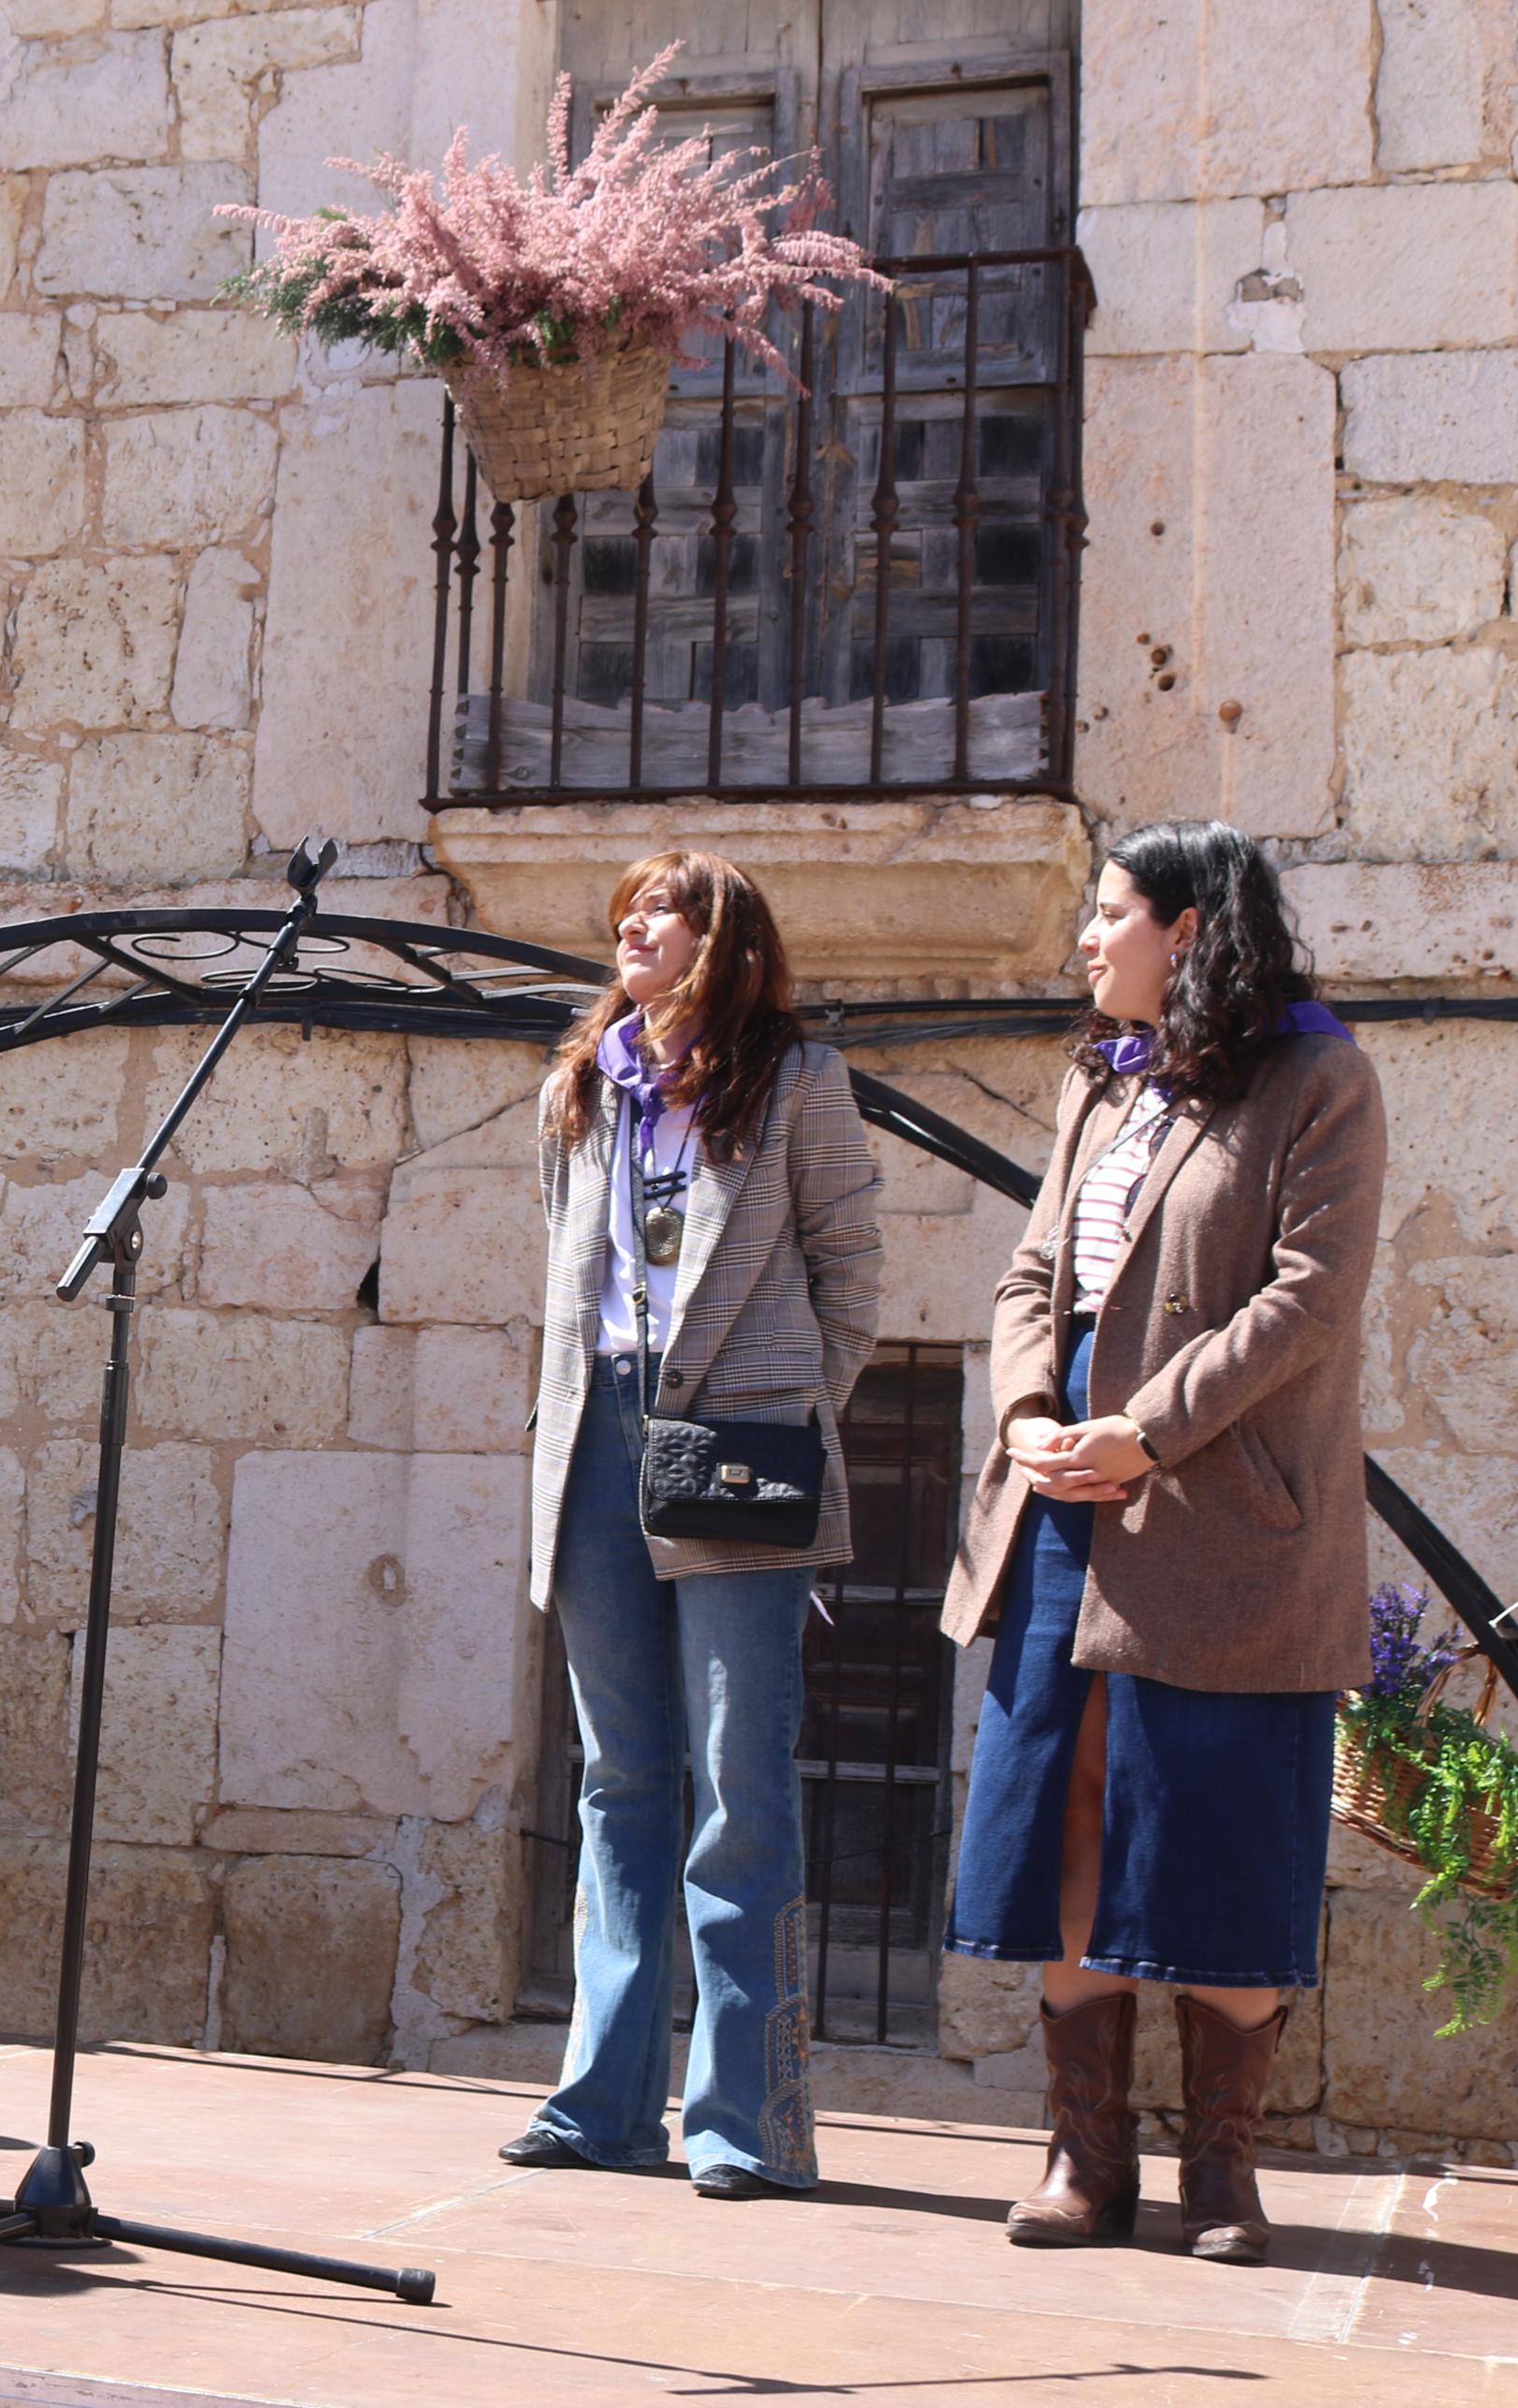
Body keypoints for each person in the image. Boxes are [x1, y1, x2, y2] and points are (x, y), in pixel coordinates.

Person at [939, 820, 1385, 2266]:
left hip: (1215, 1509)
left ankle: (1221, 2172)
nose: (1084, 937)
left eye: (1109, 912)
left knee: (1217, 1827)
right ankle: (1085, 2159)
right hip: (1063, 1492)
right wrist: (1021, 1412)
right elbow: (1029, 1271)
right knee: (1064, 1806)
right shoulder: (1096, 1078)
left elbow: (1304, 1298)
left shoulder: (1318, 1077)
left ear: (1187, 930)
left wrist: (1144, 1426)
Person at [502, 852, 881, 2198]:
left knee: (737, 1784)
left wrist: (782, 1416)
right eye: (622, 909)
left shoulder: (795, 1083)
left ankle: (744, 2120)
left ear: (722, 939)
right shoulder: (582, 1087)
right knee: (618, 1776)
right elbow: (569, 1280)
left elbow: (850, 1276)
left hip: (735, 1441)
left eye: (657, 908)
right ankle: (601, 2103)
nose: (629, 926)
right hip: (594, 1432)